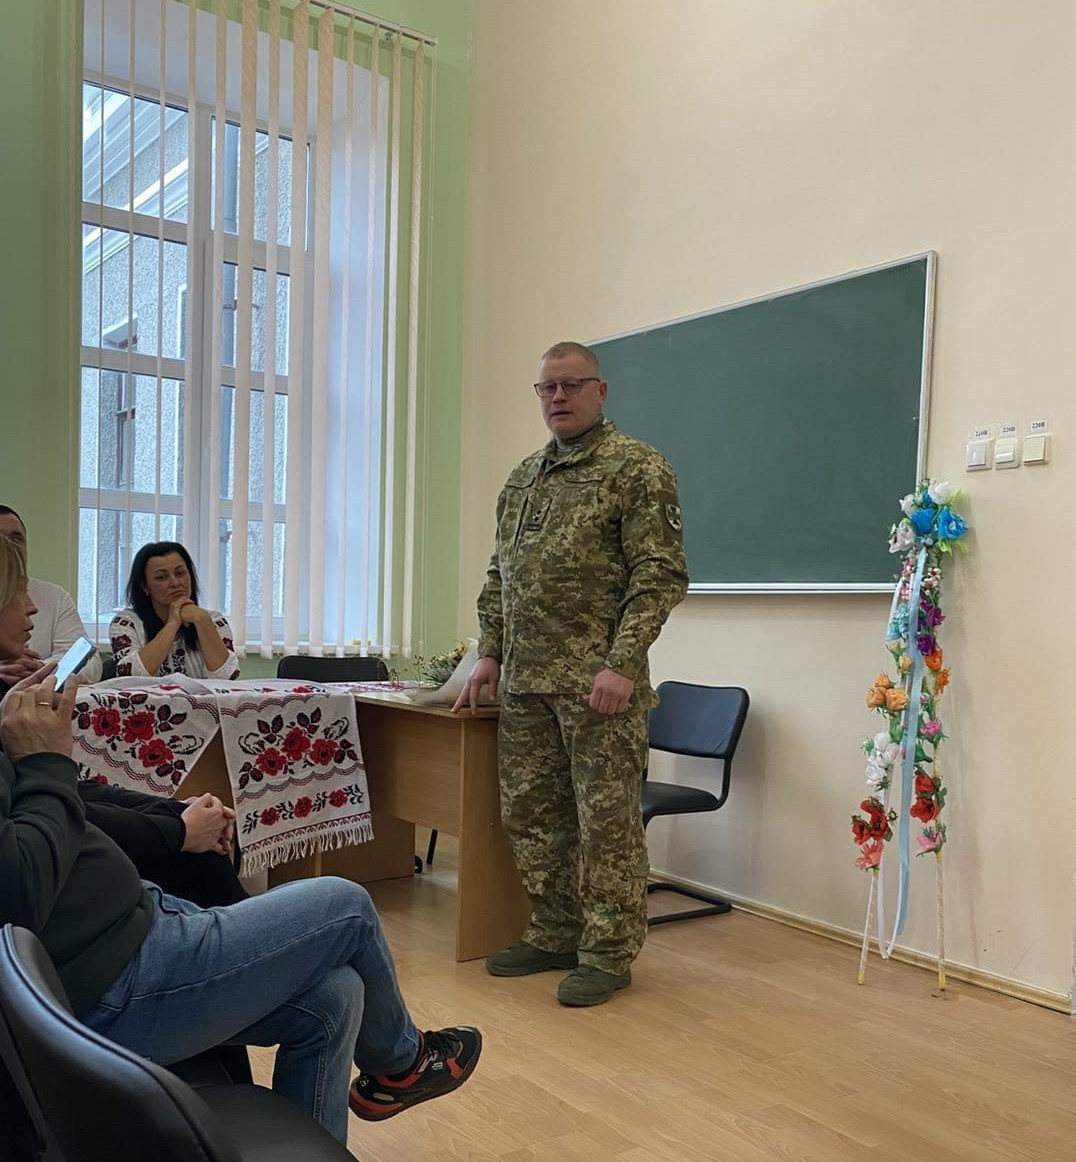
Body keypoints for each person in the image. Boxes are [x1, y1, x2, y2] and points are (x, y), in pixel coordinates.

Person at [0, 538, 481, 1142]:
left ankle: (340, 1123)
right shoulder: (110, 644)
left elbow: (83, 793)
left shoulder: (17, 716)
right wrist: (47, 763)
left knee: (337, 994)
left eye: (181, 573)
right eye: (18, 595)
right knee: (348, 904)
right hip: (116, 977)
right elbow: (21, 881)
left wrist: (171, 812)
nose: (33, 609)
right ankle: (404, 1064)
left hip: (137, 924)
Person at [453, 341, 689, 1007]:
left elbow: (660, 575)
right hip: (527, 683)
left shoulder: (637, 468)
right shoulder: (523, 478)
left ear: (600, 391)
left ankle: (608, 952)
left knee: (606, 824)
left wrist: (622, 663)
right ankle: (555, 930)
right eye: (547, 387)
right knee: (532, 815)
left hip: (598, 688)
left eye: (571, 385)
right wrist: (491, 652)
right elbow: (500, 574)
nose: (558, 397)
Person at [0, 504, 102, 691]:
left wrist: (40, 669)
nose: (11, 546)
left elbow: (91, 663)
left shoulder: (55, 596)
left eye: (16, 538)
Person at [110, 540, 241, 680]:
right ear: (144, 586)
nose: (175, 583)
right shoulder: (126, 623)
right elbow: (130, 677)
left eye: (180, 573)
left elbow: (227, 679)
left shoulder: (214, 620)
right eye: (161, 577)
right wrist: (172, 624)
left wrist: (202, 621)